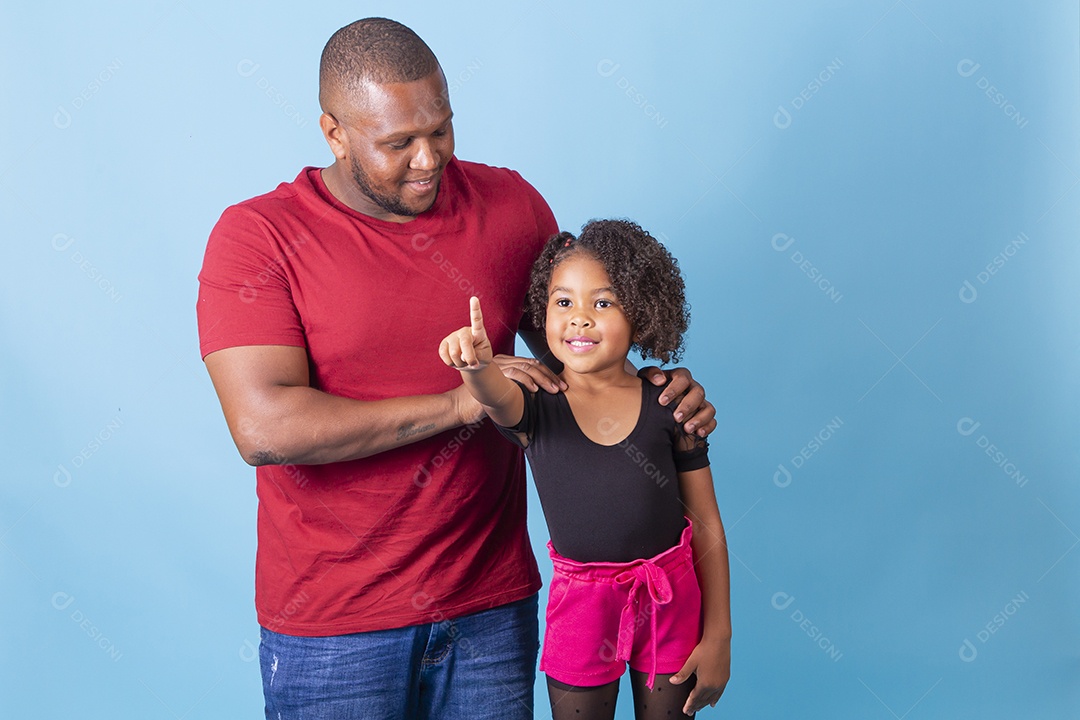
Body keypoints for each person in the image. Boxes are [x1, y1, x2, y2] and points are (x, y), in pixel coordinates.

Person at [197, 17, 716, 720]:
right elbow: (265, 427)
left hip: (490, 611)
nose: (427, 158)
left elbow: (578, 365)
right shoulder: (258, 237)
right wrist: (458, 402)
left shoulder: (510, 208)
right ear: (333, 133)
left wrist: (662, 395)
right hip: (333, 625)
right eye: (397, 143)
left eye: (440, 129)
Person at [440, 220, 731, 719]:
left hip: (667, 597)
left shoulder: (668, 404)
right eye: (563, 302)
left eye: (602, 303)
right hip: (581, 606)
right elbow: (494, 397)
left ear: (641, 314)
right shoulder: (535, 404)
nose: (579, 320)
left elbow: (705, 523)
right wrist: (477, 367)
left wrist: (719, 635)